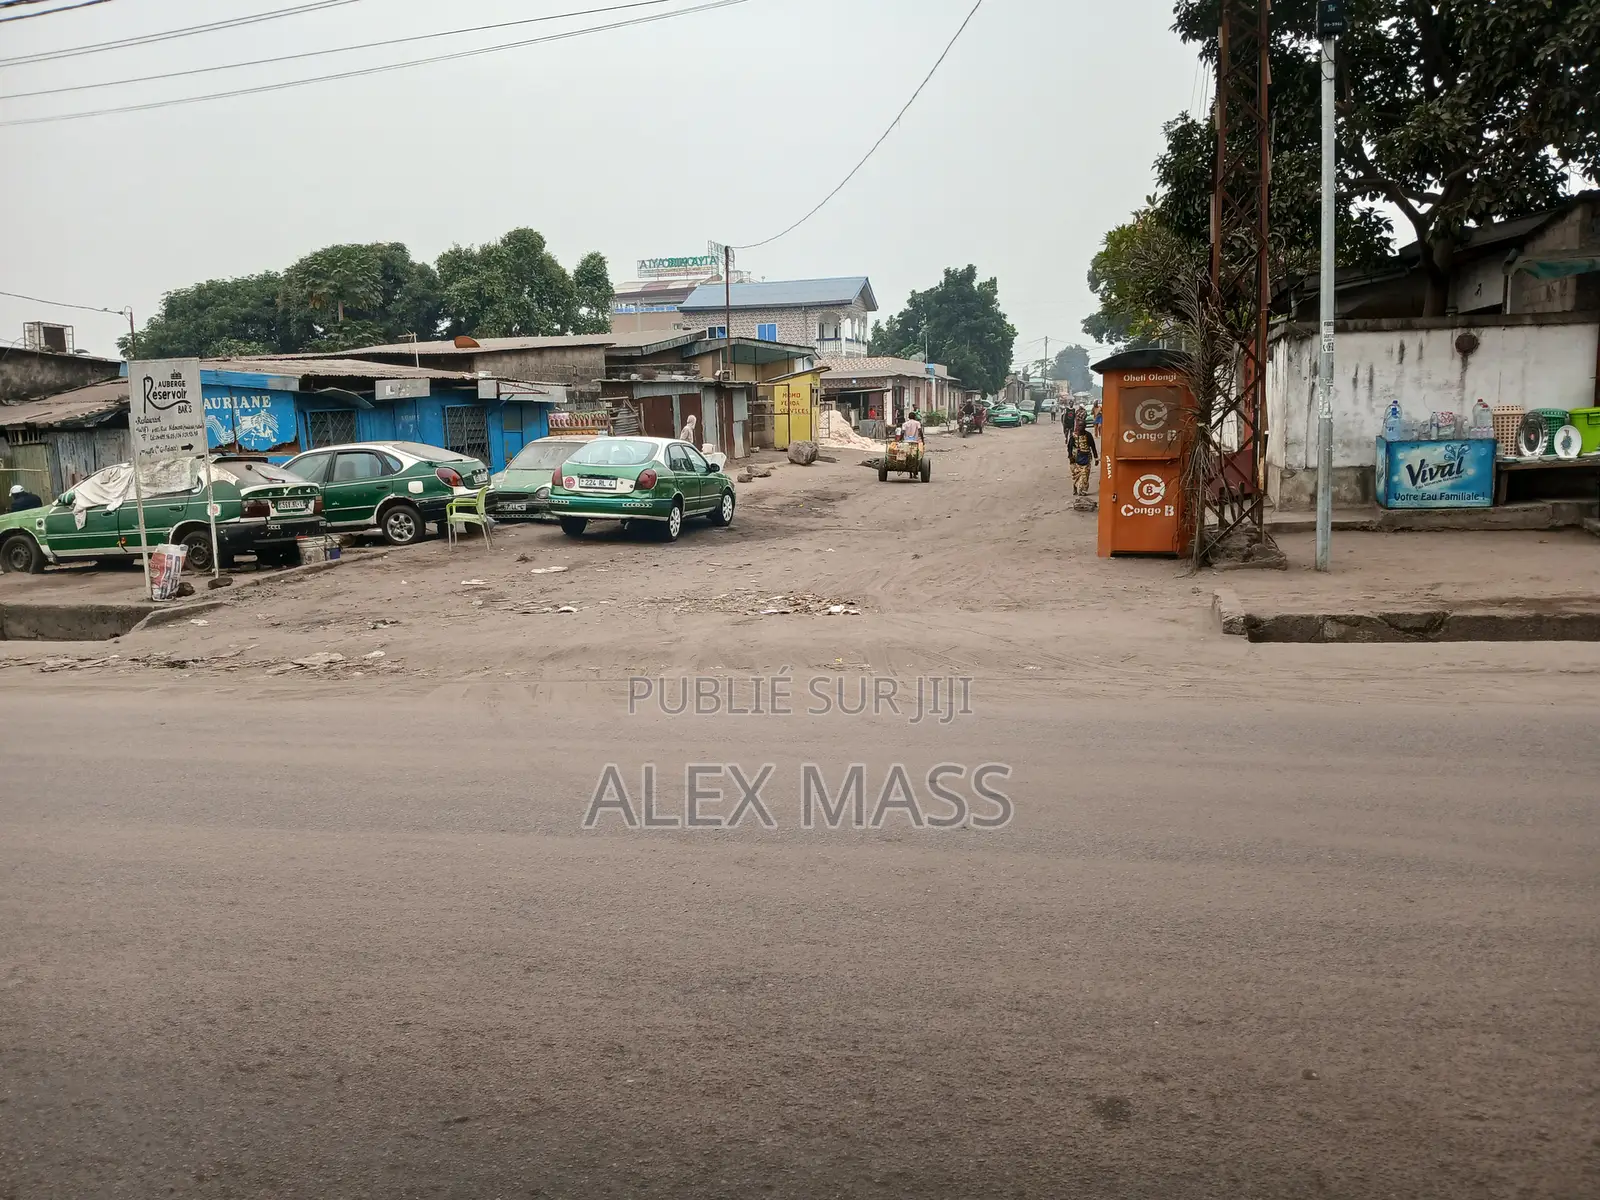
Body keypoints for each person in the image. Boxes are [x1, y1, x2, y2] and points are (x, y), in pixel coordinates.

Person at [1066, 409, 1098, 497]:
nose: (1081, 427)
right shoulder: (1074, 436)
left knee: (1085, 475)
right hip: (1076, 458)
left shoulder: (1088, 435)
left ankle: (1083, 490)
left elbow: (1093, 447)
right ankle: (1075, 487)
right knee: (1076, 475)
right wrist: (1070, 456)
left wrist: (1096, 458)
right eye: (1079, 426)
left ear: (1085, 427)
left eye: (1082, 426)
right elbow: (1069, 447)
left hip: (1086, 457)